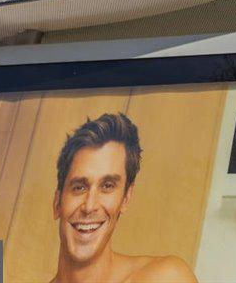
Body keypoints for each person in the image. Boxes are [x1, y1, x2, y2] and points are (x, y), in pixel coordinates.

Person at [49, 113, 197, 283]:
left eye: (107, 186)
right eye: (79, 188)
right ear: (57, 203)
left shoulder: (166, 278)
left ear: (126, 198)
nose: (89, 206)